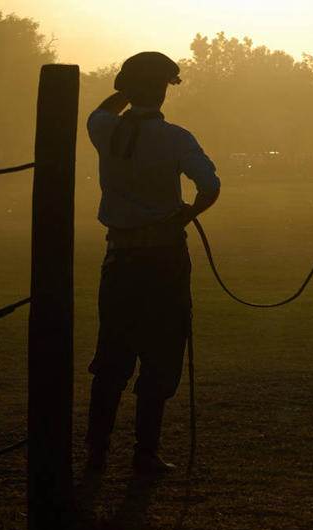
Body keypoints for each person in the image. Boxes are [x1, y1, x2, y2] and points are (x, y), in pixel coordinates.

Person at [85, 51, 220, 476]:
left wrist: (121, 94)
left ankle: (97, 452)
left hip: (120, 257)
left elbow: (99, 111)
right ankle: (145, 453)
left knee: (112, 357)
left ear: (126, 88)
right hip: (164, 258)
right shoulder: (178, 137)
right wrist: (187, 214)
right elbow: (209, 187)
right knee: (161, 354)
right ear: (163, 91)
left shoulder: (103, 127)